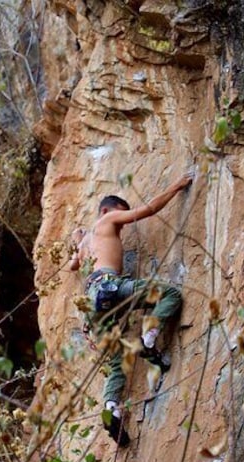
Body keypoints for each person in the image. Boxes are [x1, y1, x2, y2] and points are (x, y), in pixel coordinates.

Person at [70, 171, 193, 445]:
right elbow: (147, 210)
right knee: (169, 294)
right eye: (119, 216)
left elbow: (72, 266)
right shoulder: (106, 220)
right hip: (109, 286)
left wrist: (76, 242)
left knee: (116, 364)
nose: (122, 224)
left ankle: (110, 408)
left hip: (93, 303)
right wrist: (176, 185)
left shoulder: (85, 244)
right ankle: (148, 339)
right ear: (106, 210)